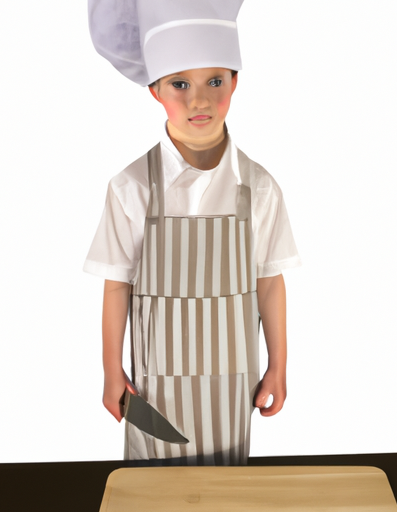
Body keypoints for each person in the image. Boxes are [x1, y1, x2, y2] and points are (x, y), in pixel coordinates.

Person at [84, 0, 301, 465]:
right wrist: (109, 368)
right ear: (155, 90)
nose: (198, 100)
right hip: (155, 387)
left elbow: (268, 281)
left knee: (226, 487)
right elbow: (117, 284)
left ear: (236, 82)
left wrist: (278, 364)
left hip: (232, 387)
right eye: (179, 84)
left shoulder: (259, 187)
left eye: (214, 82)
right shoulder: (131, 188)